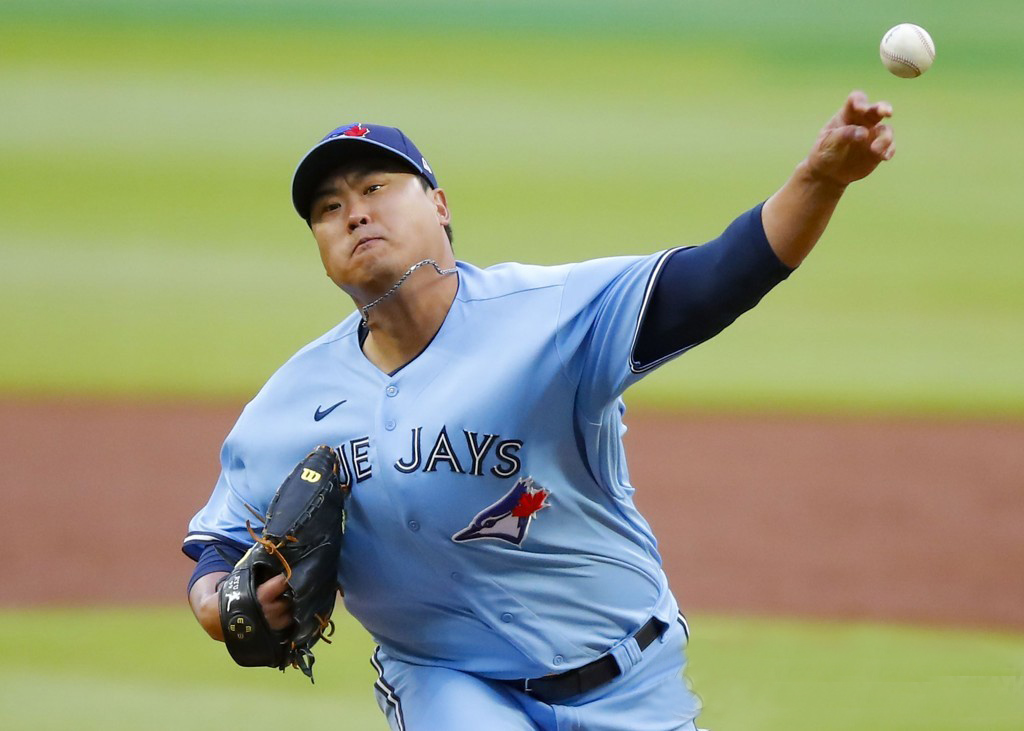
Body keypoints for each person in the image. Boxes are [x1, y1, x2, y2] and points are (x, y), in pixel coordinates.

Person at [183, 92, 894, 730]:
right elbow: (218, 544)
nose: (355, 213)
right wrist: (219, 603)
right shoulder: (291, 400)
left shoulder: (548, 316)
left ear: (439, 205)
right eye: (328, 209)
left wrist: (819, 180)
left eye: (375, 188)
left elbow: (713, 281)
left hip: (630, 678)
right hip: (445, 683)